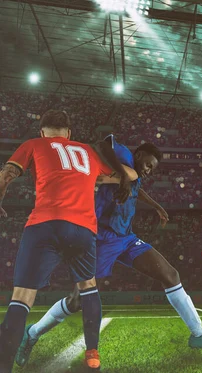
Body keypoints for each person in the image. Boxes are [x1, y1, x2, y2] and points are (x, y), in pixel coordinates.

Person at [16, 135, 202, 369]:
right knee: (77, 301)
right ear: (138, 155)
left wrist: (155, 205)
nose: (149, 170)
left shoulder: (134, 174)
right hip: (99, 239)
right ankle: (33, 333)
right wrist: (123, 177)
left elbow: (136, 187)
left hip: (126, 238)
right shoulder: (123, 155)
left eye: (152, 168)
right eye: (148, 164)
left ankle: (198, 334)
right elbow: (101, 144)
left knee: (171, 275)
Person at [0, 110, 135, 372]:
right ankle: (93, 354)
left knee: (23, 297)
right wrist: (110, 168)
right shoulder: (87, 152)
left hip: (45, 224)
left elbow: (6, 175)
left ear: (42, 133)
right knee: (89, 287)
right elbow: (130, 175)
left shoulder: (33, 144)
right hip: (83, 230)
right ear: (69, 134)